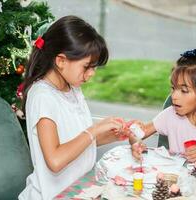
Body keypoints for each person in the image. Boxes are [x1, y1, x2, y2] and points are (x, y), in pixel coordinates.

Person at [19, 15, 127, 200]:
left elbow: (73, 141)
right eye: (87, 67)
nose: (91, 74)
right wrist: (93, 131)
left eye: (94, 67)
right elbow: (55, 160)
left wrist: (109, 135)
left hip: (77, 190)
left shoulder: (72, 89)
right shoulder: (42, 96)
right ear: (61, 61)